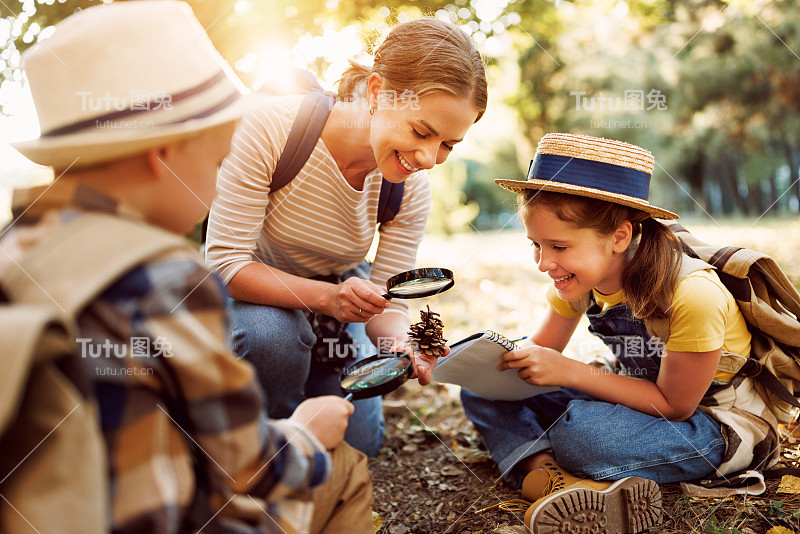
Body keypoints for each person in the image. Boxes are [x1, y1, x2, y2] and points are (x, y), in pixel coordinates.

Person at [2, 2, 372, 533]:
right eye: (221, 160)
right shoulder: (163, 279)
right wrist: (305, 432)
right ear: (165, 153)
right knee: (345, 465)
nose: (224, 181)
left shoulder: (16, 250)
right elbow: (249, 465)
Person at [463, 133, 778, 533]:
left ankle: (563, 462)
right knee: (484, 389)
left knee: (581, 435)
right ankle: (550, 477)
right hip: (635, 400)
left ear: (619, 237)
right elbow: (541, 350)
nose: (544, 263)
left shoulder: (693, 294)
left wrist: (572, 373)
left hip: (710, 424)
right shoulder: (579, 281)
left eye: (558, 247)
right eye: (536, 246)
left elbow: (674, 406)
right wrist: (469, 359)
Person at [205, 17, 488, 457]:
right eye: (421, 131)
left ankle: (295, 410)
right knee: (272, 337)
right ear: (376, 92)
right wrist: (328, 299)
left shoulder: (409, 185)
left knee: (358, 446)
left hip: (339, 290)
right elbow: (226, 265)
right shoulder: (271, 128)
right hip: (252, 291)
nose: (430, 158)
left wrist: (400, 344)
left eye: (448, 144)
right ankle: (272, 441)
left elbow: (390, 300)